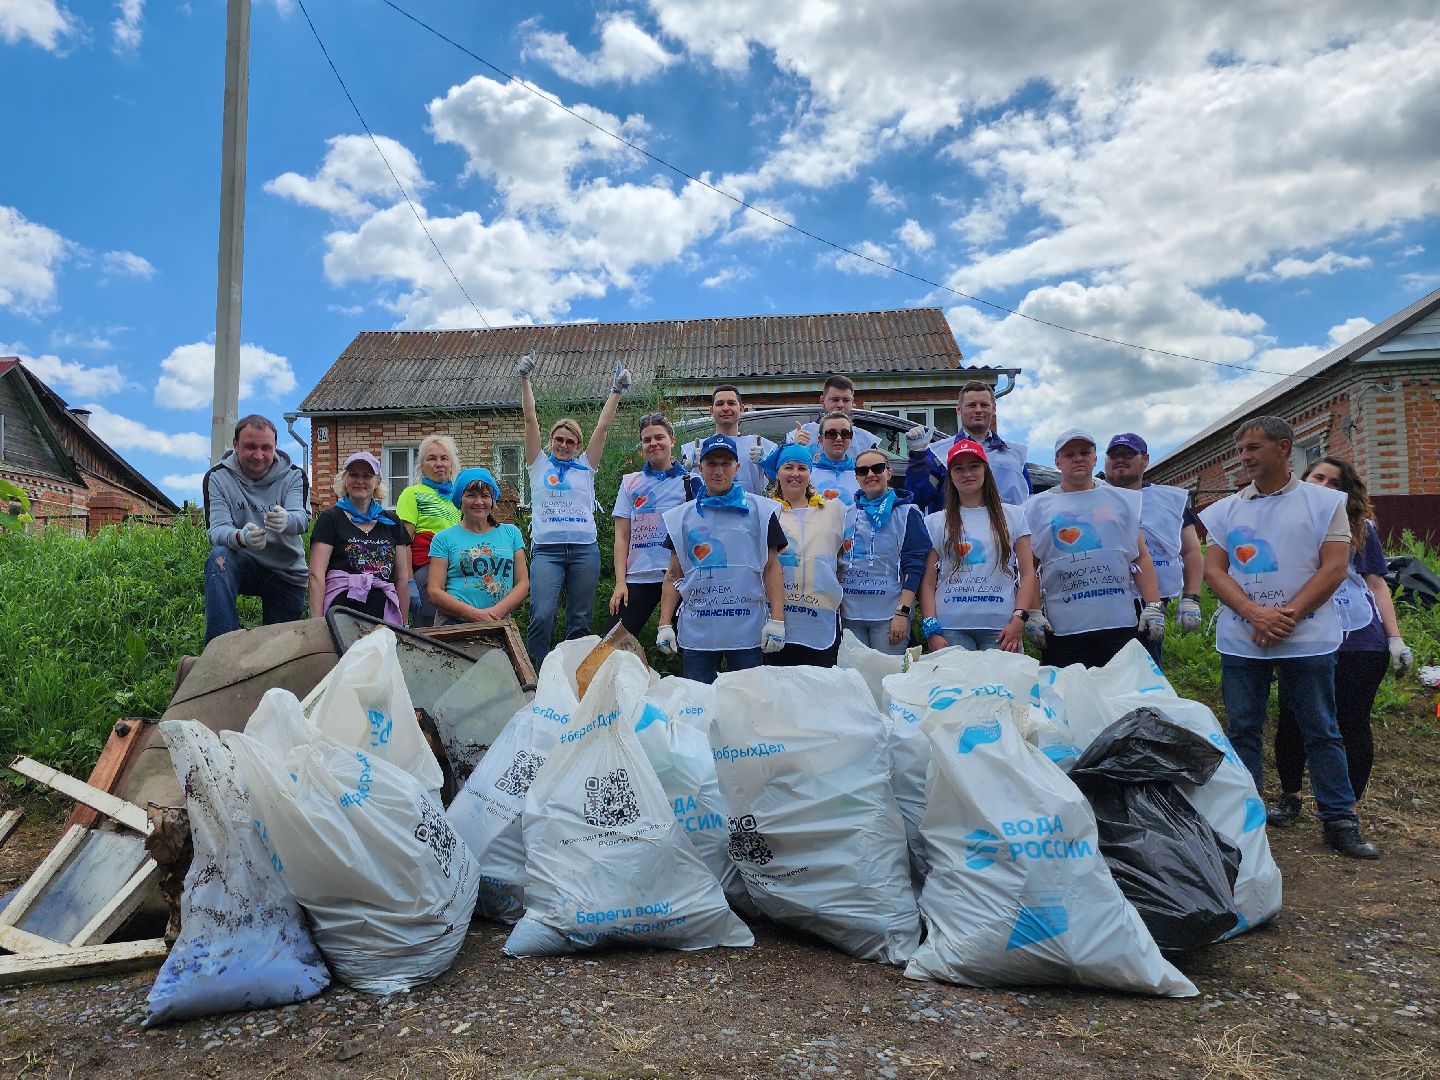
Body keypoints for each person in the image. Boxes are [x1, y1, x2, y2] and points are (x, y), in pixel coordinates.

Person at [1199, 416, 1379, 859]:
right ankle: (1246, 817)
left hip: (1308, 637)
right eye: (1241, 450)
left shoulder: (1323, 503)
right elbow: (1214, 570)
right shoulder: (1225, 510)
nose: (1244, 457)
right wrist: (1254, 613)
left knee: (1321, 728)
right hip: (1243, 639)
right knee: (1243, 727)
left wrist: (1287, 616)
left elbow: (1335, 567)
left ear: (1284, 448)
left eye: (1253, 448)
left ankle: (1339, 820)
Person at [1268, 456, 1413, 830]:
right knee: (1293, 718)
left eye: (1335, 483)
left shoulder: (1358, 526)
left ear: (1346, 493)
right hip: (1302, 632)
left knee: (1351, 722)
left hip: (1358, 635)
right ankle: (1291, 795)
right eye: (1318, 477)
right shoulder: (1281, 520)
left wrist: (1394, 637)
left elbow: (1376, 582)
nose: (1325, 486)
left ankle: (1345, 808)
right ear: (1303, 479)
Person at [519, 352, 628, 667]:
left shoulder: (585, 466)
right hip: (548, 552)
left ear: (578, 446)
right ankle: (535, 679)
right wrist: (525, 379)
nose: (564, 444)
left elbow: (603, 428)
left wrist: (616, 392)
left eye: (570, 441)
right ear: (550, 441)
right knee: (541, 615)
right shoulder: (537, 464)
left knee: (579, 620)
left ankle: (571, 680)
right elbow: (530, 418)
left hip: (584, 551)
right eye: (559, 439)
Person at [1023, 429, 1165, 668]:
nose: (1078, 458)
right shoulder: (1036, 507)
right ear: (1057, 461)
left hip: (1119, 624)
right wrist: (1034, 612)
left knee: (1123, 698)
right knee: (1070, 698)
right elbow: (1029, 566)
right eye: (1069, 454)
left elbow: (1140, 557)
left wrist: (1153, 606)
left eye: (1084, 452)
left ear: (1095, 458)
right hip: (1065, 629)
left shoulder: (1121, 500)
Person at [656, 434, 788, 684]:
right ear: (700, 468)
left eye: (725, 464)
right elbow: (674, 574)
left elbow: (772, 567)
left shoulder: (761, 511)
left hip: (747, 629)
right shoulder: (680, 518)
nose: (719, 471)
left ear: (737, 467)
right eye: (712, 464)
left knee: (748, 703)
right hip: (699, 631)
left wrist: (777, 619)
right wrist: (664, 624)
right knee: (699, 704)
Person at [919, 439, 1038, 652]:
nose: (967, 474)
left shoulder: (1015, 516)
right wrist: (932, 630)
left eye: (974, 466)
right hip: (951, 628)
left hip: (1002, 629)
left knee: (1004, 686)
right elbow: (928, 582)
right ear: (951, 476)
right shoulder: (934, 522)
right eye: (959, 468)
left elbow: (1028, 573)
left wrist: (1018, 620)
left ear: (985, 470)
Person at [203, 415, 311, 643]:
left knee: (279, 652)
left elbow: (302, 518)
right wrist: (241, 537)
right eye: (250, 447)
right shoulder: (217, 477)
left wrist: (287, 520)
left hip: (287, 571)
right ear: (235, 445)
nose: (259, 455)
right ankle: (221, 650)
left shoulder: (294, 475)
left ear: (275, 447)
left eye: (266, 447)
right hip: (244, 563)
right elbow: (217, 530)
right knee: (219, 558)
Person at [1102, 432, 1205, 665]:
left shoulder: (1168, 501)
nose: (1120, 459)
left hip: (1150, 606)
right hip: (1102, 603)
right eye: (1114, 455)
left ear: (1145, 460)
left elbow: (1190, 550)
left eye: (1129, 454)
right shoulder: (1093, 498)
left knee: (1144, 672)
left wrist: (1191, 598)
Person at [765, 444, 850, 667]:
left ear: (810, 473)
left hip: (820, 619)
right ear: (777, 474)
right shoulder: (765, 511)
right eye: (788, 467)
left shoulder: (834, 510)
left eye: (802, 468)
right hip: (776, 618)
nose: (795, 474)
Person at [842, 448, 930, 654]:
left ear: (889, 473)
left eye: (877, 468)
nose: (870, 474)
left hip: (889, 615)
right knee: (856, 681)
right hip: (850, 615)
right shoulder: (846, 513)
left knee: (886, 679)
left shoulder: (907, 512)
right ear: (856, 477)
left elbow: (915, 566)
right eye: (863, 471)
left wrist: (903, 613)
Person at [308, 451, 412, 625]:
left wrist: (404, 626)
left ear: (377, 481)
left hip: (383, 614)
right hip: (341, 612)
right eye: (353, 475)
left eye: (367, 475)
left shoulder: (392, 522)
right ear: (344, 480)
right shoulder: (330, 518)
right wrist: (317, 624)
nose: (360, 481)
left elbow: (402, 578)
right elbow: (315, 575)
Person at [609, 413, 688, 635]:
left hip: (678, 577)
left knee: (688, 646)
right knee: (612, 644)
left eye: (659, 437)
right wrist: (619, 582)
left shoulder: (690, 481)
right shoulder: (630, 482)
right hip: (638, 576)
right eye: (647, 440)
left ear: (672, 440)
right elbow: (622, 537)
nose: (653, 443)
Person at [907, 380, 1030, 512]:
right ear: (959, 409)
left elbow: (1029, 502)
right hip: (955, 530)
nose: (978, 410)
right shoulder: (938, 452)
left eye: (984, 405)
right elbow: (918, 498)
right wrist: (918, 457)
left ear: (994, 409)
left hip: (1008, 530)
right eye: (971, 405)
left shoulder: (1016, 454)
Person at [427, 467, 529, 626]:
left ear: (493, 500)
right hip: (453, 623)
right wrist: (475, 615)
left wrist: (495, 613)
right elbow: (434, 591)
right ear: (459, 500)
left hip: (499, 622)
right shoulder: (443, 538)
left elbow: (522, 583)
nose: (479, 502)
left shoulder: (512, 533)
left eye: (485, 496)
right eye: (471, 495)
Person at [395, 434, 463, 627]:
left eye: (444, 458)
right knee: (428, 630)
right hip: (426, 570)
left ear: (452, 464)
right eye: (431, 458)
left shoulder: (458, 499)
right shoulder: (412, 493)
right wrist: (408, 581)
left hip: (457, 572)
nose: (439, 463)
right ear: (421, 465)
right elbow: (404, 542)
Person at [679, 385, 777, 496]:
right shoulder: (692, 449)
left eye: (731, 403)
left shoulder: (762, 446)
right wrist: (686, 468)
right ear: (711, 410)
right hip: (706, 511)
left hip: (750, 511)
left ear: (741, 408)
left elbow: (780, 485)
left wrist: (768, 465)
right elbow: (676, 489)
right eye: (720, 404)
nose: (726, 408)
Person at [785, 375, 882, 454]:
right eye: (835, 400)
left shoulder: (867, 441)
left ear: (852, 402)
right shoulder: (800, 434)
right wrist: (793, 448)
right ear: (822, 401)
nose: (840, 405)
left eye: (846, 400)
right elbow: (776, 472)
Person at [796, 411, 863, 506]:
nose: (839, 438)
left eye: (845, 433)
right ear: (820, 439)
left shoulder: (862, 473)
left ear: (851, 438)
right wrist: (793, 448)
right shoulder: (807, 472)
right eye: (831, 433)